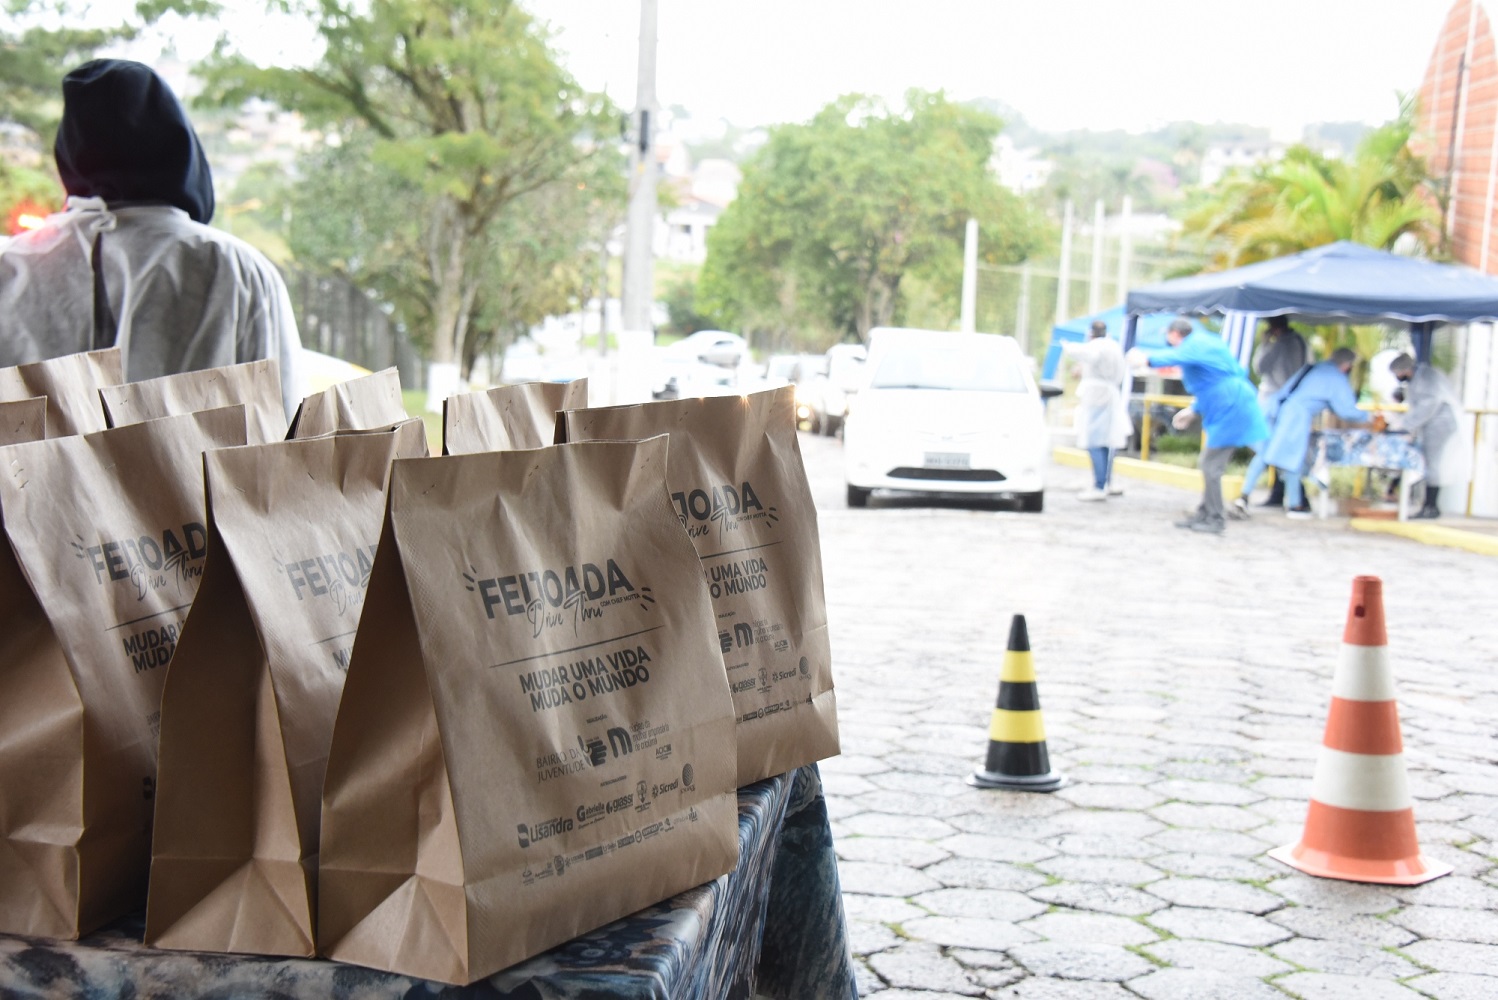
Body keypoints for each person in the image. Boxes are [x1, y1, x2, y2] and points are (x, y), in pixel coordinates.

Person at [0, 59, 302, 418]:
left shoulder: (11, 267)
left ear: (69, 149)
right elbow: (283, 420)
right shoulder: (233, 267)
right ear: (178, 145)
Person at [1132, 318, 1267, 534]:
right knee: (1209, 463)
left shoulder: (1195, 344)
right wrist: (1193, 409)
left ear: (1174, 333)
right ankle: (1205, 512)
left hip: (1230, 406)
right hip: (1226, 403)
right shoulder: (1203, 342)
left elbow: (1177, 357)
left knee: (1211, 465)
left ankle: (1215, 517)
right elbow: (1209, 381)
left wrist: (1147, 359)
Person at [1233, 348, 1376, 520]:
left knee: (1265, 453)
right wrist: (1370, 417)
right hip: (1295, 417)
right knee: (1292, 460)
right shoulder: (1335, 377)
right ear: (1347, 365)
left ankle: (1244, 496)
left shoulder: (1315, 367)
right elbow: (1346, 410)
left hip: (1278, 408)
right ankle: (1295, 505)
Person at [1389, 353, 1464, 519]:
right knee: (1430, 465)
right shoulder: (1419, 377)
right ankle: (1429, 506)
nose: (1398, 377)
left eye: (1397, 373)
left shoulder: (1427, 377)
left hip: (1440, 427)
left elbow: (1427, 406)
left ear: (1404, 369)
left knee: (1433, 465)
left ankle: (1431, 507)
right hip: (1432, 426)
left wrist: (1404, 425)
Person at [1063, 320, 1132, 501]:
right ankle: (1106, 482)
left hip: (1097, 398)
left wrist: (1068, 346)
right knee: (1107, 443)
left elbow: (1084, 353)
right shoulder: (1114, 346)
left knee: (1094, 442)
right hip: (1110, 396)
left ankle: (1099, 485)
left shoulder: (1097, 346)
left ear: (1091, 333)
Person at [1250, 315, 1309, 507]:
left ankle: (1294, 498)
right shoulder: (1300, 342)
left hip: (1277, 403)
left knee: (1269, 451)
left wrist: (1265, 343)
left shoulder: (1281, 344)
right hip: (1293, 401)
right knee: (1284, 450)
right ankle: (1289, 497)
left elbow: (1260, 367)